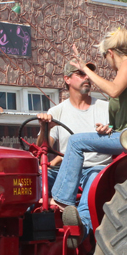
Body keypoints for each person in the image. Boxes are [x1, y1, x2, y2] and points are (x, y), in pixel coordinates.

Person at [51, 28, 127, 209]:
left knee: (76, 142)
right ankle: (82, 223)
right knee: (81, 147)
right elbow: (126, 111)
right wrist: (109, 128)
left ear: (109, 53)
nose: (108, 64)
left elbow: (113, 90)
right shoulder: (125, 72)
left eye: (105, 58)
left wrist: (85, 69)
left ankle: (62, 199)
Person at [36, 60, 111, 235]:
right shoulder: (57, 111)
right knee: (36, 179)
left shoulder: (105, 108)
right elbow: (42, 148)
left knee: (92, 185)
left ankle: (80, 228)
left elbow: (120, 136)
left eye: (88, 74)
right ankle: (29, 224)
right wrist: (44, 127)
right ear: (67, 79)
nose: (87, 78)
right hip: (67, 170)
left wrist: (108, 131)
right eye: (81, 74)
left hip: (97, 168)